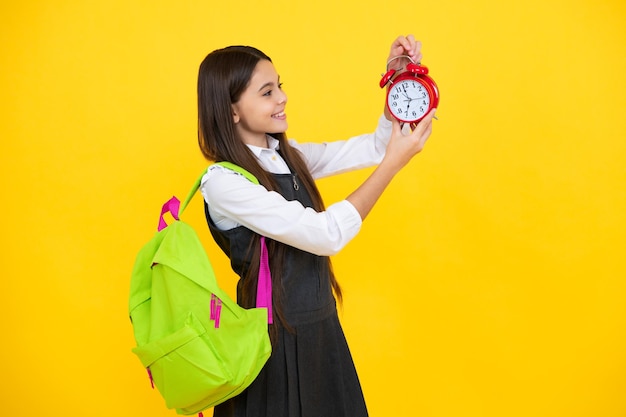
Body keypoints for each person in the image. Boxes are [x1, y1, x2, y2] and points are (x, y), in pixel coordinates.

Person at [197, 35, 436, 417]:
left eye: (280, 86)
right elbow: (325, 235)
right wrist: (393, 166)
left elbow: (373, 148)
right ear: (232, 111)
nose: (282, 98)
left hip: (320, 332)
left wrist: (398, 79)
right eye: (267, 92)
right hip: (272, 344)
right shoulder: (224, 182)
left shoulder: (286, 157)